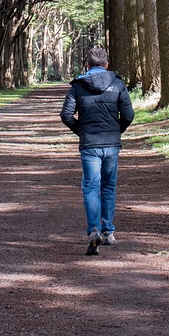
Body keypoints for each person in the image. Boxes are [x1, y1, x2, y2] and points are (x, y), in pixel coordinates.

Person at [60, 45, 134, 255]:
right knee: (108, 187)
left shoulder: (78, 86)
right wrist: (116, 131)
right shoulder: (118, 84)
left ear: (88, 65)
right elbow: (128, 115)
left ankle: (93, 230)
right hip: (111, 144)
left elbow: (66, 115)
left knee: (91, 187)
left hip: (90, 145)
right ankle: (108, 231)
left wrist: (82, 131)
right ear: (107, 65)